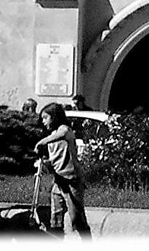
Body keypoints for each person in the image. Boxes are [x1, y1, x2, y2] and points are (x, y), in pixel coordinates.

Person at [37, 102, 92, 238]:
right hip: (58, 181)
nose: (43, 122)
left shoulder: (65, 130)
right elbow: (55, 159)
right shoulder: (52, 134)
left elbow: (61, 135)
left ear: (54, 117)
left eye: (45, 118)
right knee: (55, 217)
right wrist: (43, 164)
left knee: (77, 218)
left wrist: (42, 142)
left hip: (72, 180)